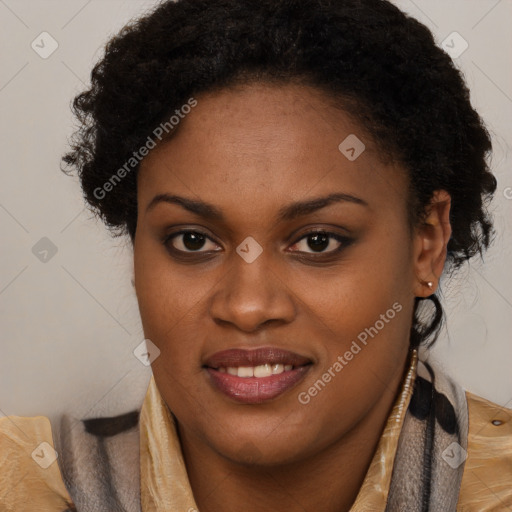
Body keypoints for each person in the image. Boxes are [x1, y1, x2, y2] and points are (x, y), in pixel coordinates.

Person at [1, 0, 511, 510]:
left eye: (317, 241)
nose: (247, 307)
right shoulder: (19, 484)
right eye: (192, 240)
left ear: (426, 244)